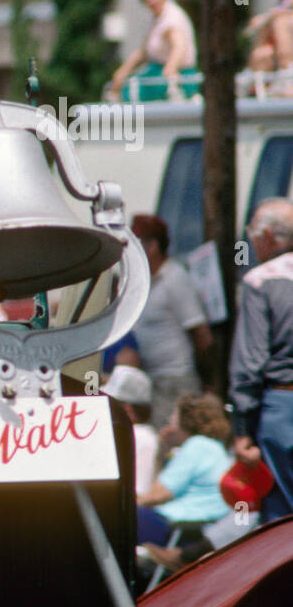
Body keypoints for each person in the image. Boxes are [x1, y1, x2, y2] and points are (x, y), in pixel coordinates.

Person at [229, 197, 293, 522]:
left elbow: (250, 363)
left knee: (282, 524)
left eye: (252, 233)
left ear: (266, 235)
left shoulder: (259, 281)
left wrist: (242, 429)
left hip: (282, 408)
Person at [128, 214, 211, 429]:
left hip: (176, 380)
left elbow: (201, 334)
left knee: (169, 440)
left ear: (152, 246)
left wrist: (208, 381)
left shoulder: (175, 278)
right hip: (155, 379)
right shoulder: (147, 281)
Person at [136, 393, 232, 545]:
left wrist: (129, 503)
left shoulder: (196, 446)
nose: (170, 421)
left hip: (182, 529)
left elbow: (157, 496)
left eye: (174, 415)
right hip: (200, 526)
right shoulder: (214, 447)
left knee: (122, 515)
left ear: (185, 420)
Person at [110, 0, 202, 102]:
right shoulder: (157, 19)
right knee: (127, 87)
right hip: (157, 71)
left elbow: (179, 46)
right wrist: (123, 71)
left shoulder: (172, 17)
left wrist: (171, 68)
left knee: (133, 92)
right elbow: (144, 52)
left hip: (177, 75)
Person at [103, 364, 158, 496]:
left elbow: (138, 491)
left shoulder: (140, 436)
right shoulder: (134, 434)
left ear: (127, 409)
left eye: (109, 403)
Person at [242, 0, 293, 81]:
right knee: (261, 54)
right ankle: (252, 74)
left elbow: (279, 14)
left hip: (286, 34)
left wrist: (265, 18)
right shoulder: (279, 0)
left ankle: (287, 65)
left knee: (277, 23)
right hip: (274, 42)